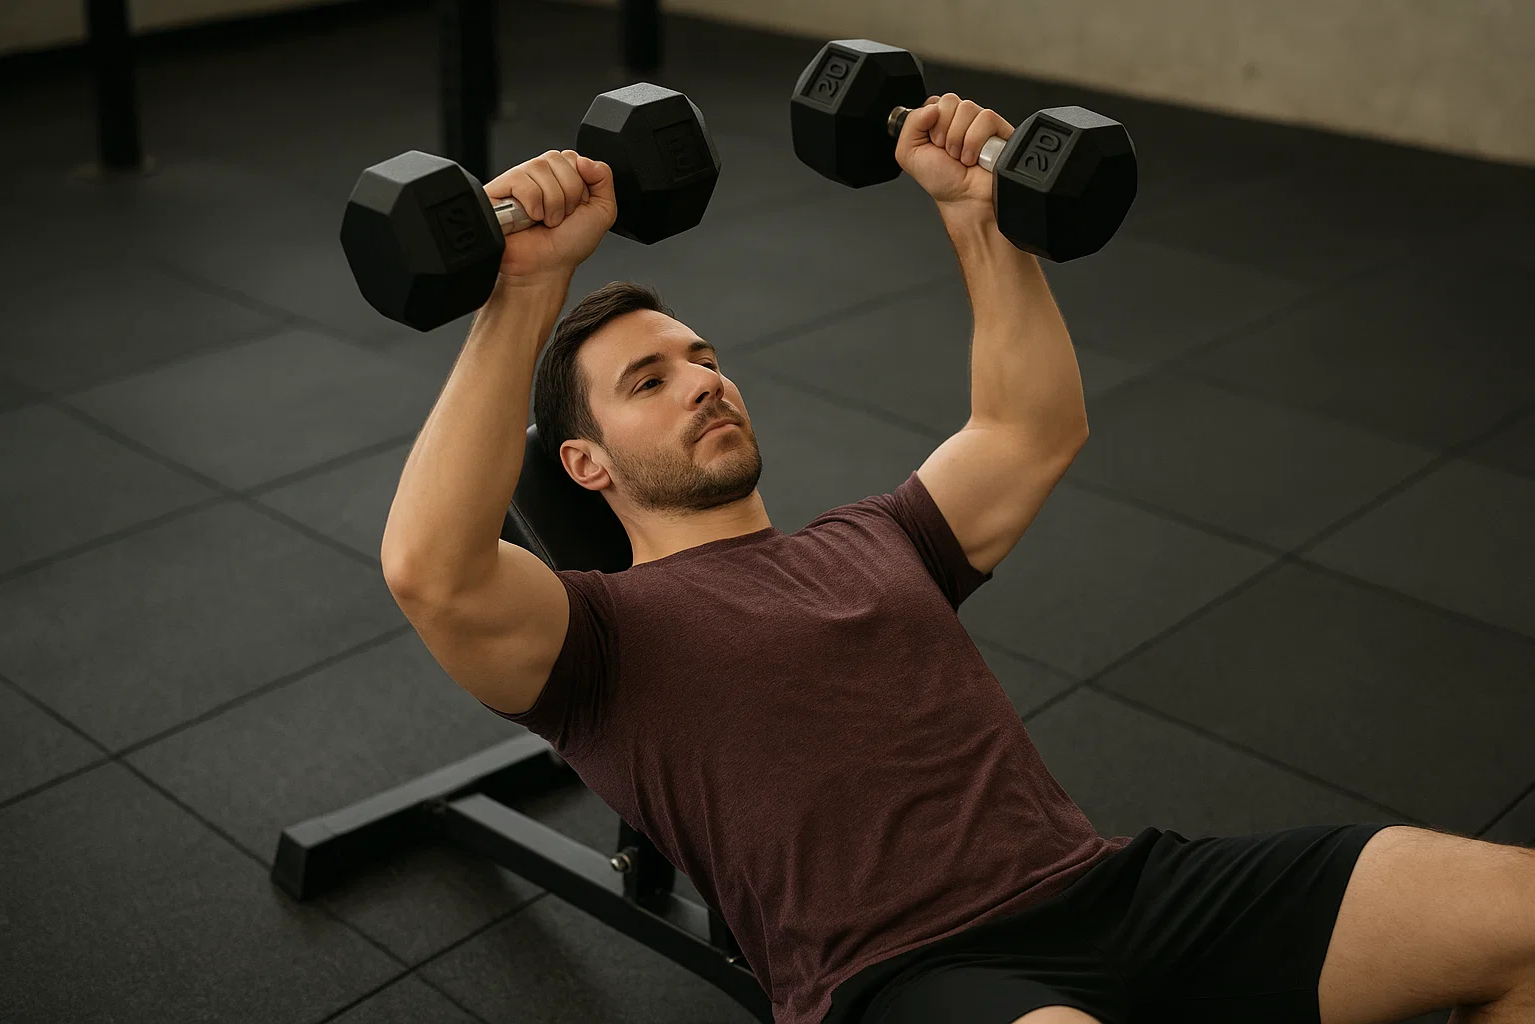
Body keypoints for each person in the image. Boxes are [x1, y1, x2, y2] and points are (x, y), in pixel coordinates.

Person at [379, 95, 1535, 1024]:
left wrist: (979, 217)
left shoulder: (879, 538)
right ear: (583, 466)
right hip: (904, 975)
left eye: (703, 357)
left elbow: (1029, 429)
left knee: (1520, 916)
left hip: (1114, 893)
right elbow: (434, 568)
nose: (703, 379)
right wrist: (528, 288)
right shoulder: (595, 644)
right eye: (650, 380)